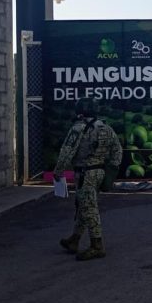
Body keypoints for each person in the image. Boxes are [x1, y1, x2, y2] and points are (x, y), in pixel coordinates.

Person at [55, 98, 123, 261]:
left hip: (85, 174)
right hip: (99, 172)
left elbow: (67, 151)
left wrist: (59, 171)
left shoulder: (78, 128)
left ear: (80, 111)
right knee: (84, 206)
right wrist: (110, 172)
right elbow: (117, 150)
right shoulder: (106, 128)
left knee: (89, 208)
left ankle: (97, 245)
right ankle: (75, 239)